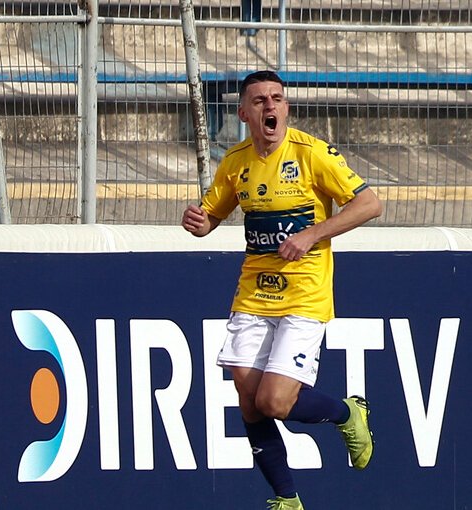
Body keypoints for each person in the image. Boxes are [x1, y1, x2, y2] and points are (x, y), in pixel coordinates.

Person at [181, 70, 382, 510]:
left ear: (286, 107)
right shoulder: (235, 162)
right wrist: (201, 224)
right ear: (243, 113)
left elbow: (370, 203)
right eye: (259, 101)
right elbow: (213, 215)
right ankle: (287, 500)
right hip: (254, 292)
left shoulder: (312, 154)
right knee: (249, 402)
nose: (270, 107)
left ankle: (349, 413)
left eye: (277, 98)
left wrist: (313, 234)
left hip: (304, 294)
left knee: (273, 400)